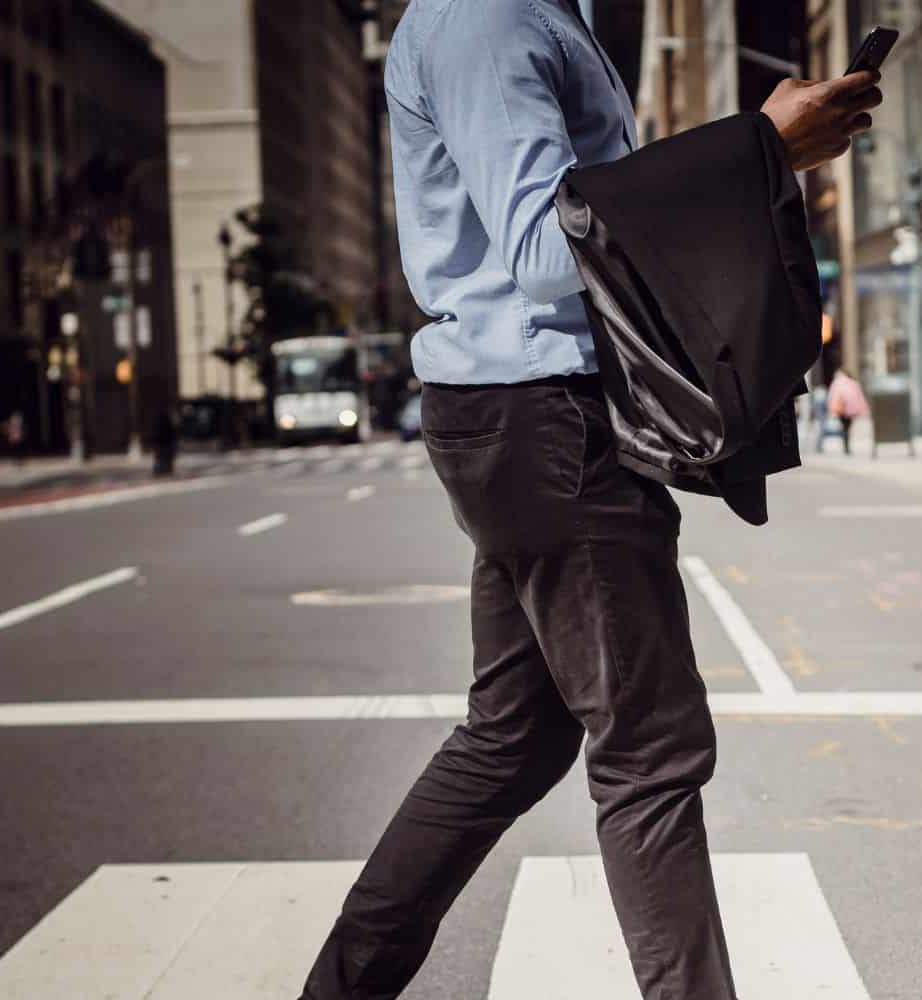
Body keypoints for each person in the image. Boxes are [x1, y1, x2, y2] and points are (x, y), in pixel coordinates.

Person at [298, 2, 878, 998]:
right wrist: (757, 150)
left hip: (530, 418)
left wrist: (756, 153)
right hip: (544, 418)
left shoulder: (535, 15)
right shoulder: (489, 17)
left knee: (514, 735)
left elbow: (590, 212)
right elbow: (540, 251)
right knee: (650, 750)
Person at [828, 366, 868, 455]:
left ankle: (846, 445)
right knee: (847, 428)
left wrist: (831, 409)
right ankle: (847, 446)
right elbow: (859, 397)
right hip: (850, 410)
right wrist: (863, 409)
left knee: (844, 428)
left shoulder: (836, 383)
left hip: (840, 410)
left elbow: (832, 397)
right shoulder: (852, 382)